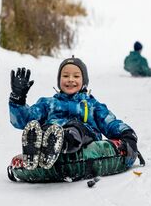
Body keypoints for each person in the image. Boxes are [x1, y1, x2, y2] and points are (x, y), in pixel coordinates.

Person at [9, 57, 139, 171]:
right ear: (59, 80)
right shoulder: (48, 103)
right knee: (45, 128)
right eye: (65, 76)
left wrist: (127, 134)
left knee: (75, 128)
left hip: (84, 136)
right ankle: (40, 146)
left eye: (76, 76)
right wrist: (18, 100)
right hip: (52, 133)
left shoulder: (92, 104)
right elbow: (25, 120)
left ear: (84, 81)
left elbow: (110, 122)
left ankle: (61, 142)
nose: (70, 80)